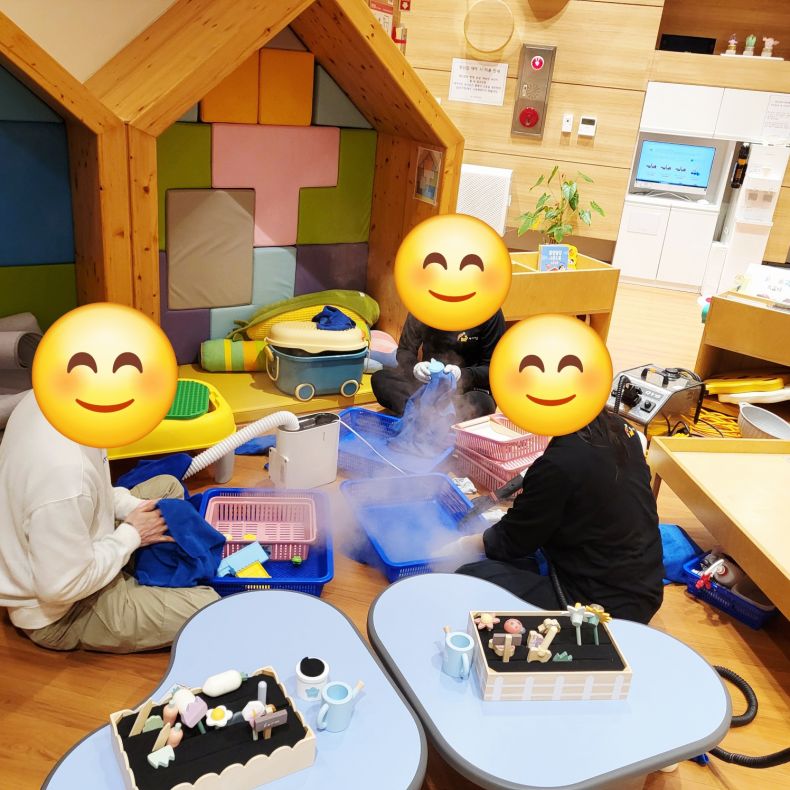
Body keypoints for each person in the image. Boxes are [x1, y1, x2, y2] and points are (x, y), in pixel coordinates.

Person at [0, 391, 219, 653]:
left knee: (167, 488)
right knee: (211, 608)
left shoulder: (51, 400)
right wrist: (132, 534)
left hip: (80, 549)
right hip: (61, 610)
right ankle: (147, 583)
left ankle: (145, 576)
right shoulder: (64, 477)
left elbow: (95, 492)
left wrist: (131, 508)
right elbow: (61, 588)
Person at [454, 410, 663, 624]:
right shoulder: (619, 427)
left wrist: (462, 545)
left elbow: (513, 540)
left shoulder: (560, 463)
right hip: (644, 584)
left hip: (603, 604)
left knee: (471, 577)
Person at [371, 310, 506, 421]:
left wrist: (462, 375)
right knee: (380, 379)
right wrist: (415, 368)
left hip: (466, 391)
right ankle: (437, 416)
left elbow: (493, 368)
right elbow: (405, 351)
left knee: (483, 402)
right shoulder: (422, 304)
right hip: (426, 387)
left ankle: (422, 415)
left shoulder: (489, 311)